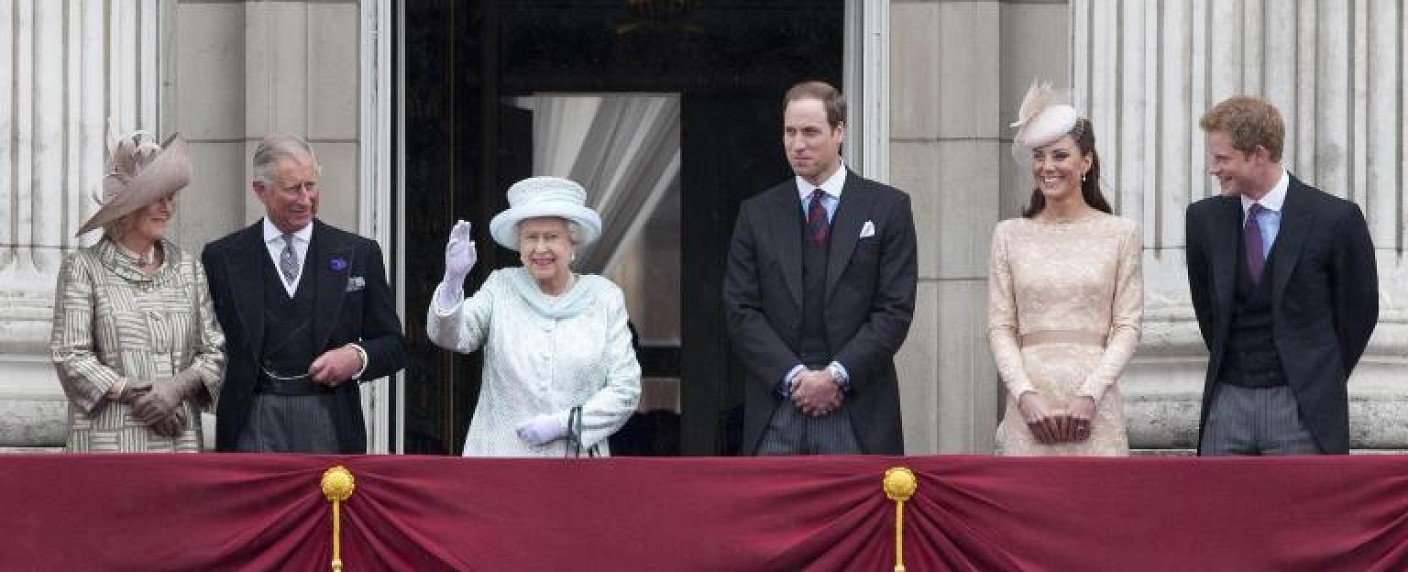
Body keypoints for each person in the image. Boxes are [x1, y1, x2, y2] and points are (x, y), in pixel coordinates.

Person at [724, 80, 917, 455]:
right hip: (776, 411)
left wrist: (836, 377)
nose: (798, 144)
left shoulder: (887, 208)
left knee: (861, 516)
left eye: (810, 132)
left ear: (839, 131)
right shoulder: (756, 214)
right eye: (789, 132)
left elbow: (894, 310)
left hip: (858, 412)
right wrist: (797, 379)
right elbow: (740, 310)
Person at [1186, 96, 1378, 455]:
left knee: (1304, 512)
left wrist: (1316, 376)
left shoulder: (1335, 218)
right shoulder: (1203, 221)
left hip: (1304, 409)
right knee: (1219, 510)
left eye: (1222, 158)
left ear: (1257, 154)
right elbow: (1208, 311)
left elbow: (1359, 313)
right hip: (1227, 404)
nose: (1213, 168)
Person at [202, 133, 406, 453]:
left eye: (310, 186)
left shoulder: (358, 253)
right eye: (292, 188)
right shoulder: (222, 257)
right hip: (251, 420)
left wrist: (357, 356)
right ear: (261, 190)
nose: (305, 199)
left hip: (330, 417)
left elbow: (395, 345)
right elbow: (204, 344)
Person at [427, 176, 641, 457]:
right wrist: (453, 282)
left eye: (551, 237)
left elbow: (625, 390)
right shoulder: (500, 287)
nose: (540, 248)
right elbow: (452, 336)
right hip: (500, 464)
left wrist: (564, 424)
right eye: (531, 237)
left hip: (574, 469)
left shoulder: (604, 298)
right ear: (519, 246)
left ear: (572, 243)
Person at [988, 81, 1143, 456]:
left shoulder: (1120, 233)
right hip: (1029, 407)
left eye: (1060, 156)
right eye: (1039, 157)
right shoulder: (1009, 235)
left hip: (1095, 404)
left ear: (1086, 161)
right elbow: (1000, 327)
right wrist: (1025, 396)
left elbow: (1127, 326)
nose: (1047, 167)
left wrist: (1090, 394)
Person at [51, 131, 225, 452]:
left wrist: (176, 389)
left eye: (171, 198)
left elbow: (214, 352)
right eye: (158, 198)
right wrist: (138, 394)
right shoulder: (83, 268)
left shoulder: (188, 267)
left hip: (178, 442)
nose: (168, 209)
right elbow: (70, 355)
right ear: (128, 208)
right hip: (108, 446)